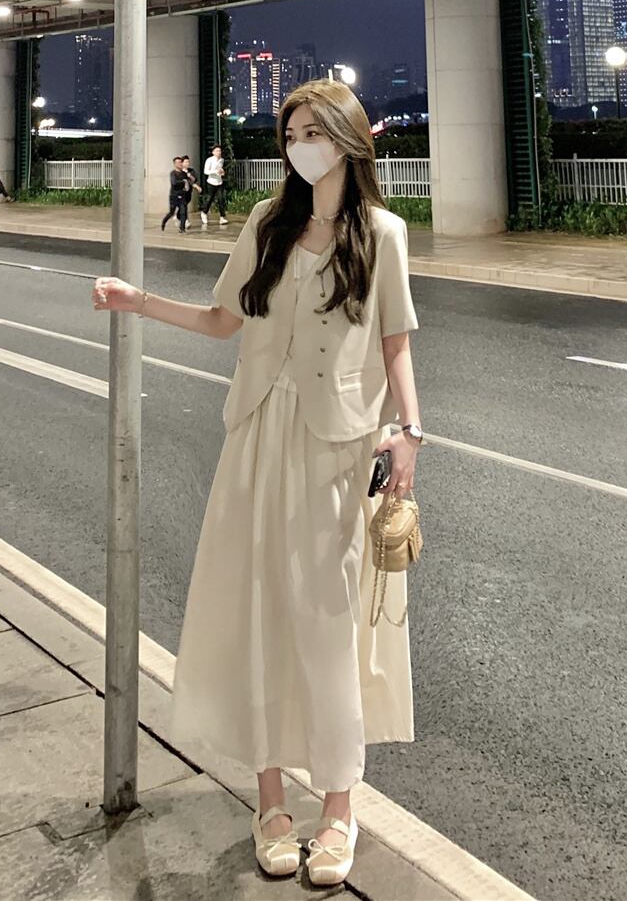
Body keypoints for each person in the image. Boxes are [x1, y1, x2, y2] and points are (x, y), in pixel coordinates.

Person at [92, 79, 422, 887]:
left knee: (327, 622)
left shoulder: (382, 234)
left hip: (337, 449)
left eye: (313, 131)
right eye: (291, 133)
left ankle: (338, 805)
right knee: (258, 611)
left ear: (348, 139)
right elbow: (221, 321)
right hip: (256, 437)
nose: (299, 145)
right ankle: (270, 800)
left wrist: (410, 432)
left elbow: (396, 341)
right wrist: (139, 302)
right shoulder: (268, 225)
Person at [200, 144, 228, 228]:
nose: (219, 152)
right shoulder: (209, 160)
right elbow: (206, 171)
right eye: (217, 151)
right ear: (213, 152)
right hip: (211, 182)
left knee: (221, 199)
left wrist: (222, 172)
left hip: (219, 182)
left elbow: (221, 169)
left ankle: (222, 217)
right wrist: (215, 171)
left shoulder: (222, 160)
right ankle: (204, 212)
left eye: (219, 151)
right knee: (210, 199)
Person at [161, 156, 190, 233]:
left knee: (183, 212)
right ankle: (164, 221)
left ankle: (182, 228)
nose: (179, 164)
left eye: (180, 162)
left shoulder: (184, 173)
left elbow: (188, 182)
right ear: (174, 164)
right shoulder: (173, 173)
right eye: (177, 163)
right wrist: (183, 182)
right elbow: (174, 183)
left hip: (182, 195)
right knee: (172, 212)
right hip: (174, 195)